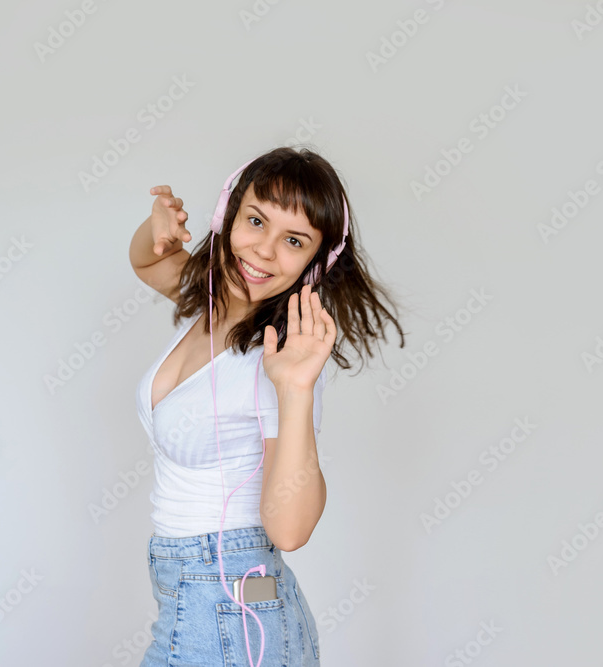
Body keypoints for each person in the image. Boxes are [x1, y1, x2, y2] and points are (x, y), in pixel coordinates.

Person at [129, 147, 406, 666]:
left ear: (316, 262)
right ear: (226, 215)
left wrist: (296, 389)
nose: (262, 252)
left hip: (233, 607)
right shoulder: (212, 301)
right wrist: (157, 229)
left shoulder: (279, 358)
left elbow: (291, 530)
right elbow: (147, 260)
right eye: (255, 221)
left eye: (293, 241)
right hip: (202, 599)